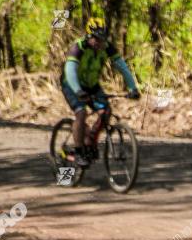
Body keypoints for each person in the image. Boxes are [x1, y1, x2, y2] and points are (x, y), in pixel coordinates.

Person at [60, 17, 140, 167]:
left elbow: (122, 67)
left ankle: (90, 141)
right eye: (96, 39)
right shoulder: (78, 48)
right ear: (88, 36)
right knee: (81, 113)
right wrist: (78, 91)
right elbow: (70, 70)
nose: (99, 43)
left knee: (106, 112)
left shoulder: (106, 48)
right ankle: (78, 152)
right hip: (71, 84)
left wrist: (132, 88)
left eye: (102, 39)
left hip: (92, 85)